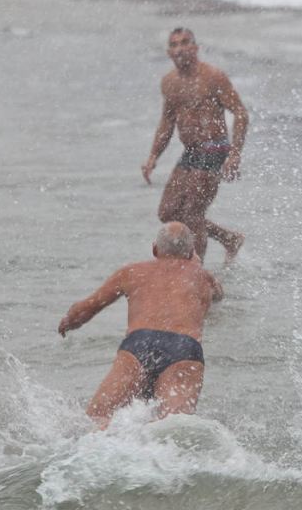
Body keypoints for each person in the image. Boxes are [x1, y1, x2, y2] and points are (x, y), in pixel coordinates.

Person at [58, 222, 224, 428]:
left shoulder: (132, 272)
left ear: (155, 249)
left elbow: (85, 309)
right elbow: (218, 296)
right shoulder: (203, 277)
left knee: (96, 419)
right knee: (176, 427)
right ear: (191, 252)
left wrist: (69, 321)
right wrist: (196, 266)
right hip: (184, 349)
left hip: (139, 345)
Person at [142, 28, 249, 262]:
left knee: (193, 213)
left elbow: (240, 113)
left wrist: (234, 155)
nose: (179, 49)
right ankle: (228, 238)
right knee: (167, 212)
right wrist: (153, 156)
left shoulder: (212, 76)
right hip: (190, 152)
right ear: (169, 52)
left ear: (195, 47)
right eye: (174, 44)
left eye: (185, 43)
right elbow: (167, 121)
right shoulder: (169, 82)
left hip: (214, 149)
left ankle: (197, 273)